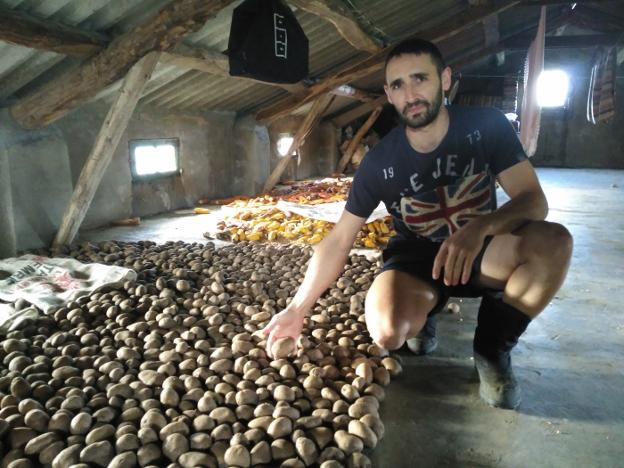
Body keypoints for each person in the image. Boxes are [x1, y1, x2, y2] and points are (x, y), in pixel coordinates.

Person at [262, 38, 573, 410]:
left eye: (419, 79)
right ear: (388, 95)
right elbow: (339, 238)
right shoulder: (379, 161)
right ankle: (424, 313)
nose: (410, 94)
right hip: (418, 258)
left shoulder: (486, 126)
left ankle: (492, 349)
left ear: (444, 79)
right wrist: (297, 308)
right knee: (388, 332)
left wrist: (481, 227)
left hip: (484, 249)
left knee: (553, 243)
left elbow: (533, 200)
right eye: (398, 85)